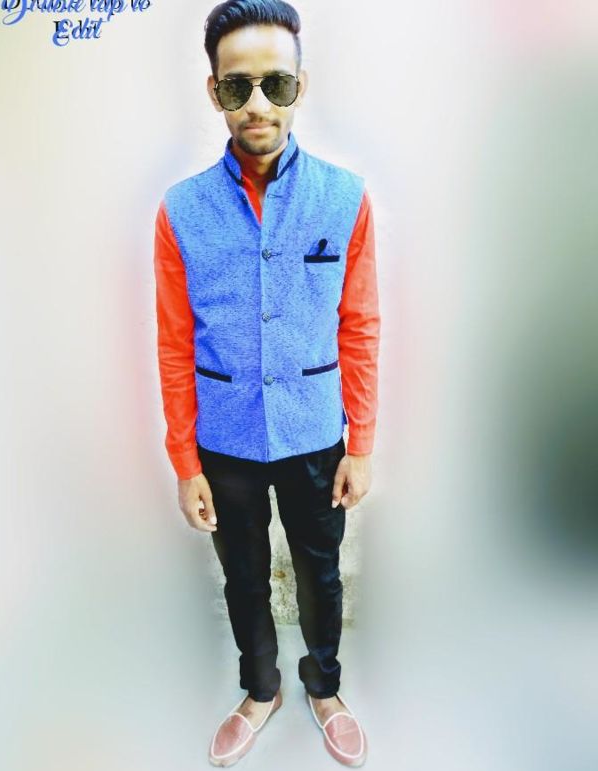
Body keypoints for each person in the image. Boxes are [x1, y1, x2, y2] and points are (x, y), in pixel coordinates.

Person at [153, 0, 380, 765]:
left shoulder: (344, 198)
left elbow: (360, 325)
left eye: (276, 84)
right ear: (214, 90)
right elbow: (174, 341)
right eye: (237, 85)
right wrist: (185, 460)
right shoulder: (180, 211)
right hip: (226, 437)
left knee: (319, 571)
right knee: (243, 575)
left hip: (316, 429)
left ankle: (325, 686)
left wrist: (362, 443)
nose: (258, 104)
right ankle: (261, 688)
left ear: (300, 87)